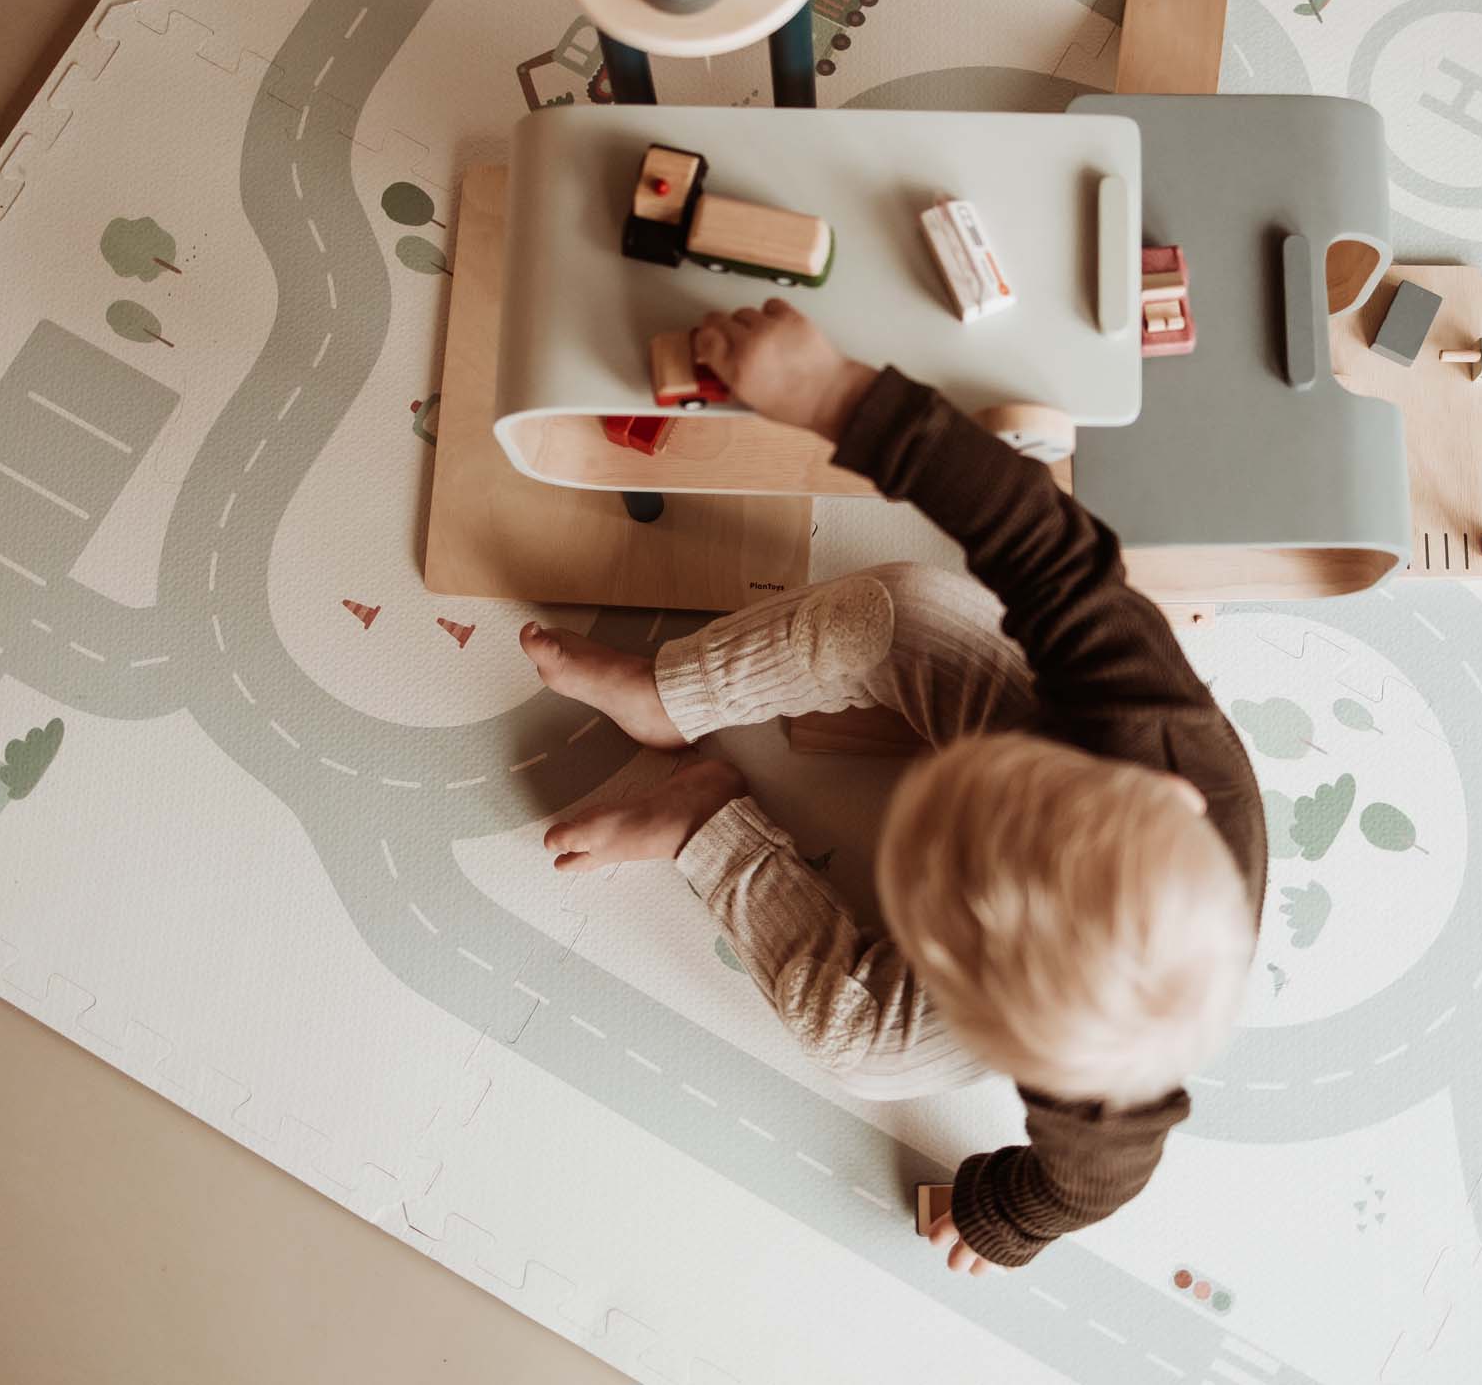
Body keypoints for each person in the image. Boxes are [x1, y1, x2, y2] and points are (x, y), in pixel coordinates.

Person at [518, 298, 1267, 1274]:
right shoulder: (1143, 711)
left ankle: (701, 821)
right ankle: (671, 694)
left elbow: (1085, 1188)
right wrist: (835, 394)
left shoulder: (1100, 1093)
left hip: (1038, 981)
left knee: (859, 1045)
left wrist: (1001, 1220)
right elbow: (1033, 536)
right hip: (1050, 735)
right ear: (1162, 794)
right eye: (1004, 789)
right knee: (894, 609)